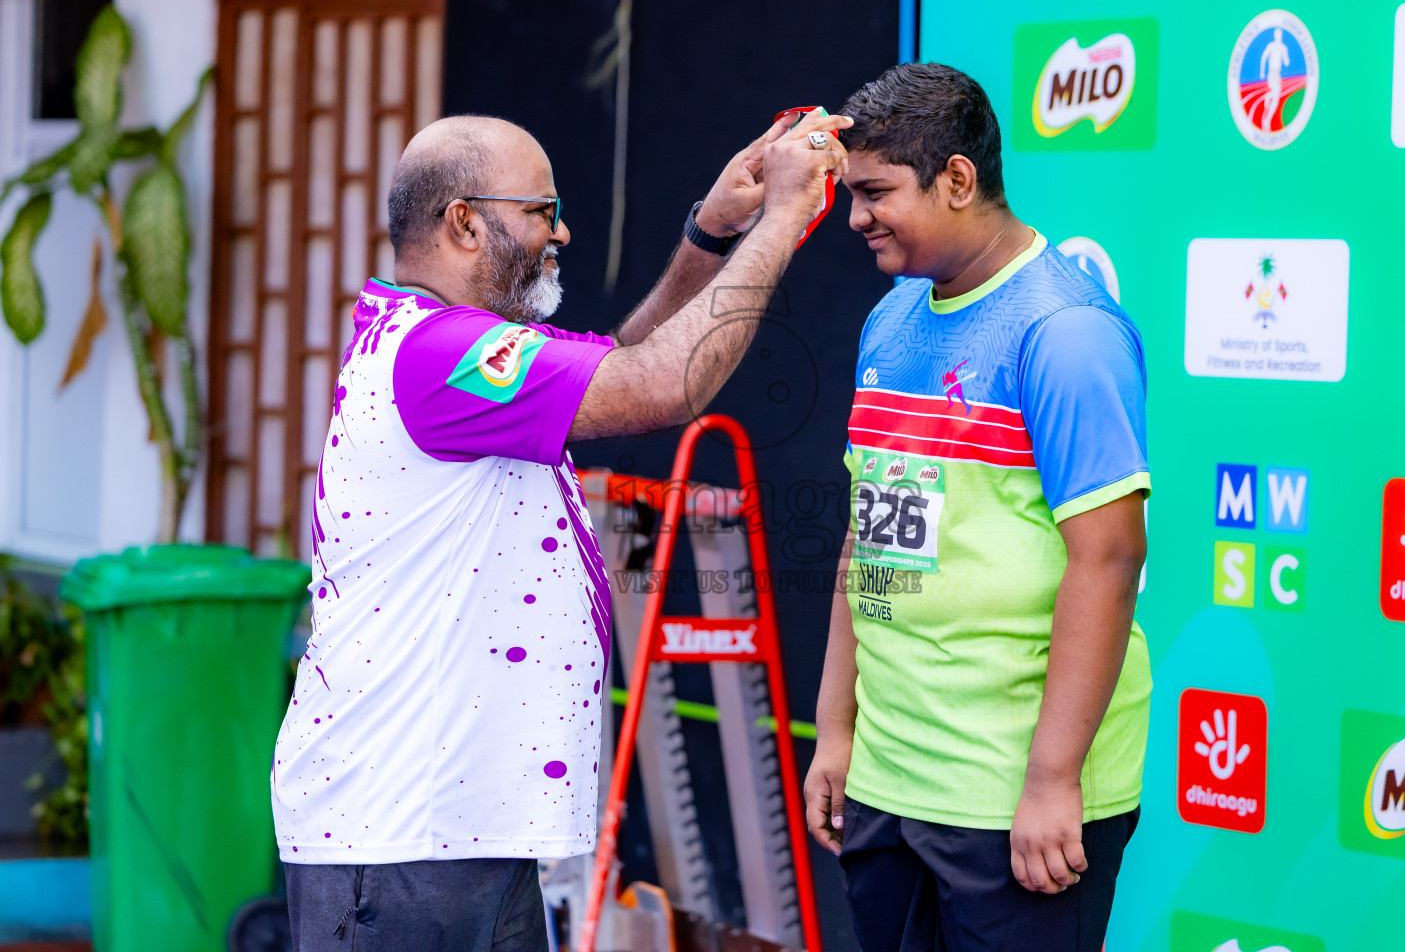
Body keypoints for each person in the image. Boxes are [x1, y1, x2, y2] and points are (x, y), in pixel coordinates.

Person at [273, 109, 850, 950]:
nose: (563, 231)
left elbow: (621, 360)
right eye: (542, 211)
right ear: (465, 221)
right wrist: (786, 217)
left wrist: (710, 233)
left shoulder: (449, 349)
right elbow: (660, 384)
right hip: (402, 836)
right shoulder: (439, 356)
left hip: (456, 829)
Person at [803, 63, 1151, 952]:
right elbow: (866, 532)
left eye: (877, 192)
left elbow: (1108, 561)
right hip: (889, 784)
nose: (855, 219)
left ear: (957, 180)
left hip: (1010, 799)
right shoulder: (890, 318)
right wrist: (836, 732)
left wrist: (1050, 779)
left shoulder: (1066, 331)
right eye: (851, 193)